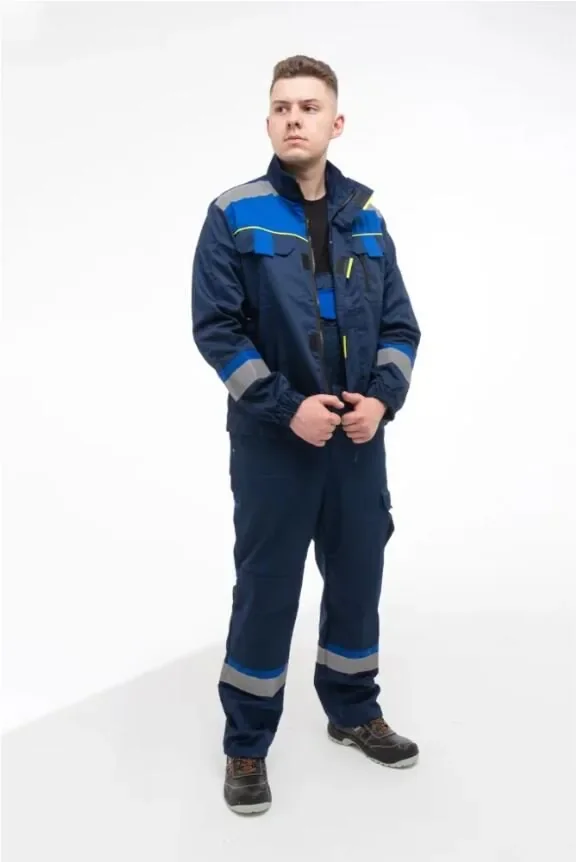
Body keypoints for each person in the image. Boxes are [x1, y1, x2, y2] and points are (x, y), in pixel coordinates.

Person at [191, 55, 421, 816]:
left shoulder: (369, 218)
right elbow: (218, 331)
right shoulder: (234, 213)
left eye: (310, 107)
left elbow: (400, 328)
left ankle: (353, 709)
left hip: (357, 442)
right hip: (274, 445)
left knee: (358, 575)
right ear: (268, 122)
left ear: (335, 122)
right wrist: (286, 406)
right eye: (283, 107)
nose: (295, 118)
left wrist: (380, 402)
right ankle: (247, 744)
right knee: (267, 587)